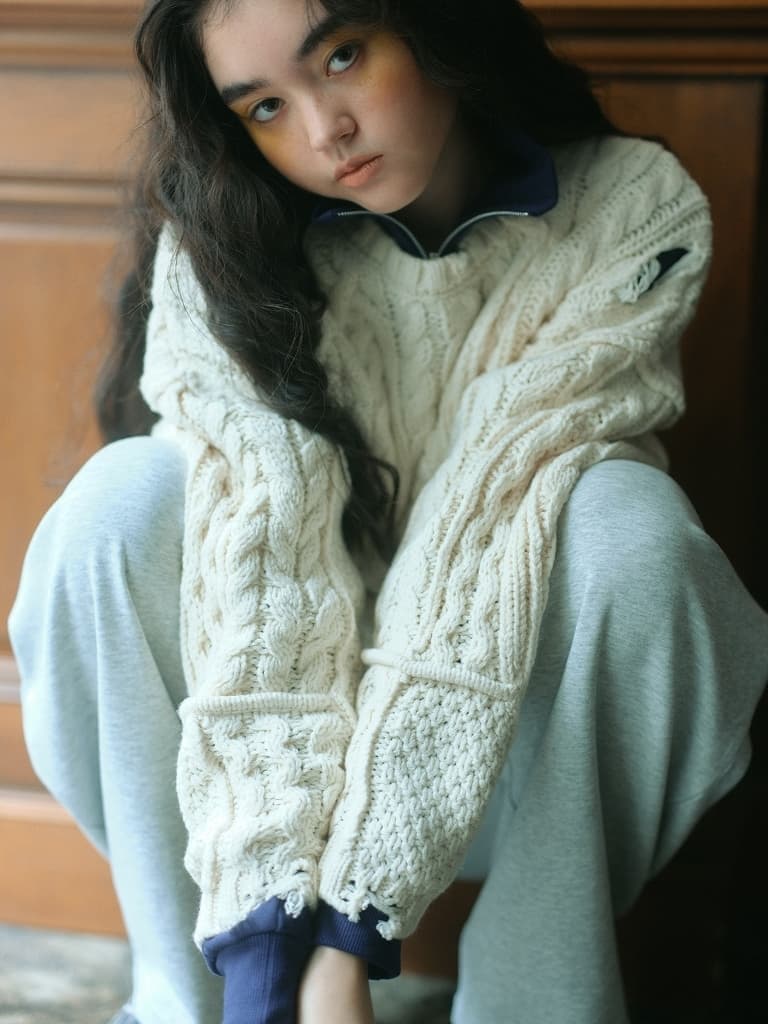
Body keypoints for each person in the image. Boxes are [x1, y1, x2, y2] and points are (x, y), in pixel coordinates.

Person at [8, 0, 768, 1022]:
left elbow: (482, 527)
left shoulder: (629, 209)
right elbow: (265, 567)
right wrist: (273, 933)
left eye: (343, 56)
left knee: (628, 527)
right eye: (265, 106)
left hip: (519, 761)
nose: (324, 130)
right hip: (264, 756)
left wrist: (351, 923)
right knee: (117, 501)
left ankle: (537, 1005)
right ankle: (193, 999)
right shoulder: (227, 243)